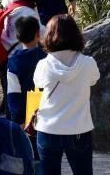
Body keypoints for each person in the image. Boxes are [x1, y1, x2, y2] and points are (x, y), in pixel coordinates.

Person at [33, 15, 100, 175]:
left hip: (48, 128)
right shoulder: (88, 63)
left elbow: (39, 85)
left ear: (48, 35)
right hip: (79, 129)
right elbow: (93, 80)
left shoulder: (43, 65)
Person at [0, 0, 45, 116]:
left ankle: (9, 122)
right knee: (22, 98)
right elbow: (43, 33)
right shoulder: (27, 13)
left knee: (10, 94)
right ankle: (22, 126)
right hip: (21, 59)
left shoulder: (10, 1)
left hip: (5, 56)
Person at [7, 16, 47, 126]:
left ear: (18, 37)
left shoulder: (13, 63)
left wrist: (18, 122)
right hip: (50, 113)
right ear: (38, 34)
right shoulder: (46, 57)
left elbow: (13, 97)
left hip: (29, 119)